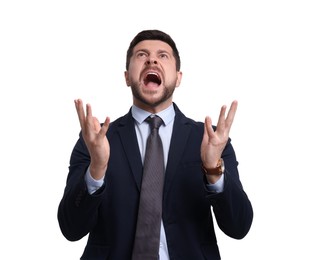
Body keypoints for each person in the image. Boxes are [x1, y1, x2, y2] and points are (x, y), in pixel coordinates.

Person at [57, 29, 253, 260]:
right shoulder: (95, 139)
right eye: (141, 55)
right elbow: (71, 228)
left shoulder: (210, 139)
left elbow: (238, 226)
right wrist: (96, 169)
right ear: (127, 76)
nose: (151, 59)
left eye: (163, 55)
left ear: (178, 77)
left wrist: (212, 170)